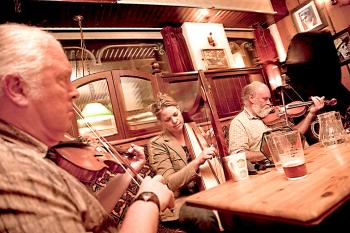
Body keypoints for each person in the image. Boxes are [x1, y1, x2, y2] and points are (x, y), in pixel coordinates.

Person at [0, 23, 174, 233]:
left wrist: (128, 173)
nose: (75, 92)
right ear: (17, 88)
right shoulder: (14, 171)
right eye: (62, 79)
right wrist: (149, 200)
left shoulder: (25, 157)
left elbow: (88, 215)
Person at [148, 93, 223, 233]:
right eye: (168, 119)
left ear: (179, 109)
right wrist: (197, 161)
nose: (175, 120)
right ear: (161, 123)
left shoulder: (195, 130)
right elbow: (170, 183)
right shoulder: (157, 144)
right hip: (181, 201)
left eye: (176, 114)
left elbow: (212, 164)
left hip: (208, 189)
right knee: (204, 216)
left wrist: (214, 145)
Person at [228, 81, 324, 164]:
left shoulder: (272, 115)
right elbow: (238, 154)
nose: (269, 103)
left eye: (269, 99)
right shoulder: (239, 122)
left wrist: (311, 114)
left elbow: (295, 135)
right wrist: (271, 154)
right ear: (251, 98)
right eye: (265, 99)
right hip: (267, 171)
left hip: (295, 159)